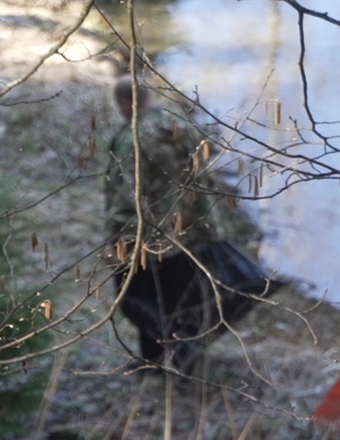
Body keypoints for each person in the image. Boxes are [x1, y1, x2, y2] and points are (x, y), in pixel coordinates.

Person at [103, 76, 262, 372]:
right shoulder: (183, 127)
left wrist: (119, 245)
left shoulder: (132, 138)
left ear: (126, 103)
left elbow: (126, 197)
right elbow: (203, 178)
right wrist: (209, 227)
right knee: (171, 301)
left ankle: (178, 350)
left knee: (132, 300)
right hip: (188, 233)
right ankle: (159, 361)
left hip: (147, 238)